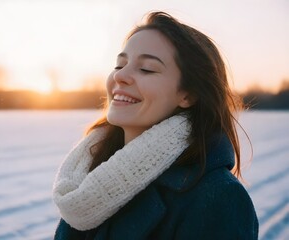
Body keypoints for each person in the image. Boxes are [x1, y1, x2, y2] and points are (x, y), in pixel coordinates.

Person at [52, 11, 258, 239]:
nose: (121, 77)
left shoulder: (218, 198)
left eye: (146, 69)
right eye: (120, 65)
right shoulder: (87, 181)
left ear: (188, 95)